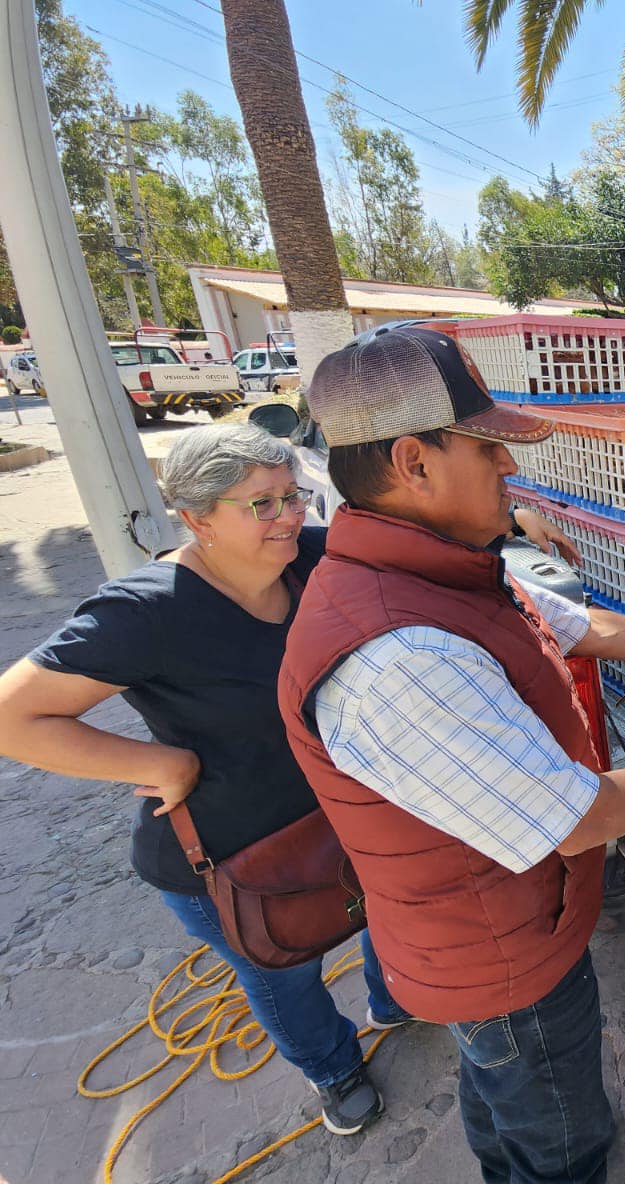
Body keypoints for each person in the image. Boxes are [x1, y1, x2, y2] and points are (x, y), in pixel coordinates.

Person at [277, 326, 625, 1184]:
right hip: (500, 961)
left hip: (494, 928)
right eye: (490, 449)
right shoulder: (399, 656)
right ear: (413, 462)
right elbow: (579, 818)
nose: (511, 471)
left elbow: (581, 625)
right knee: (560, 1136)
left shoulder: (443, 567)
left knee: (498, 1092)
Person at [0, 424, 408, 1136]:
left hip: (343, 816)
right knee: (283, 973)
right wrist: (157, 764)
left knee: (385, 909)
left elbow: (406, 539)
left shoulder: (311, 558)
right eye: (260, 504)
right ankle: (333, 1069)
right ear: (195, 518)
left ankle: (394, 999)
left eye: (292, 495)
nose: (288, 516)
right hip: (232, 858)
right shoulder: (146, 611)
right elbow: (14, 715)